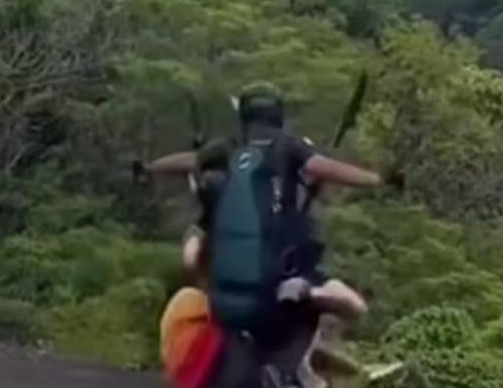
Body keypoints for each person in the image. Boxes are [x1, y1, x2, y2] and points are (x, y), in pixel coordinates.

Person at [140, 81, 384, 322]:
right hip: (281, 276)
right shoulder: (289, 152)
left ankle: (212, 299)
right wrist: (378, 179)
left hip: (226, 288)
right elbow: (329, 170)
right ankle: (308, 292)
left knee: (193, 257)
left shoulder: (229, 150)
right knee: (355, 306)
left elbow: (189, 161)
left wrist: (150, 168)